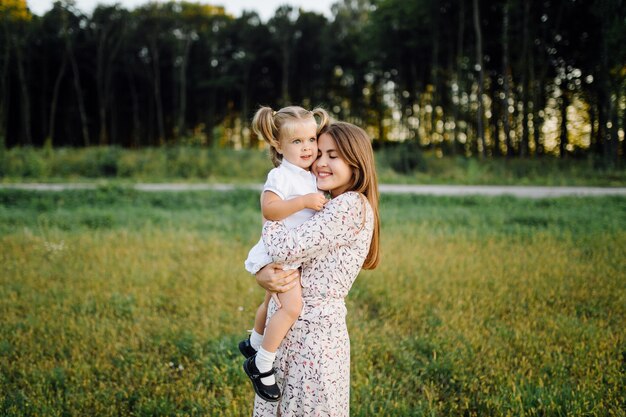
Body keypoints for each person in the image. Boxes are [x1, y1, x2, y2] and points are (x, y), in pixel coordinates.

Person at [246, 121, 381, 416]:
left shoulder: (349, 206)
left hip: (313, 338)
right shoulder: (329, 203)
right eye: (319, 153)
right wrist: (263, 274)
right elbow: (289, 257)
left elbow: (283, 249)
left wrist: (271, 207)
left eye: (333, 156)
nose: (320, 163)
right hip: (291, 333)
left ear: (356, 161)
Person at [240, 105, 331, 402]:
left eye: (310, 139)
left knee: (270, 300)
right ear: (279, 145)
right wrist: (304, 201)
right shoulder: (282, 176)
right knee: (291, 307)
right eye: (296, 141)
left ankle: (254, 342)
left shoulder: (307, 173)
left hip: (289, 251)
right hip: (279, 253)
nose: (307, 147)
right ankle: (261, 364)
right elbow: (270, 209)